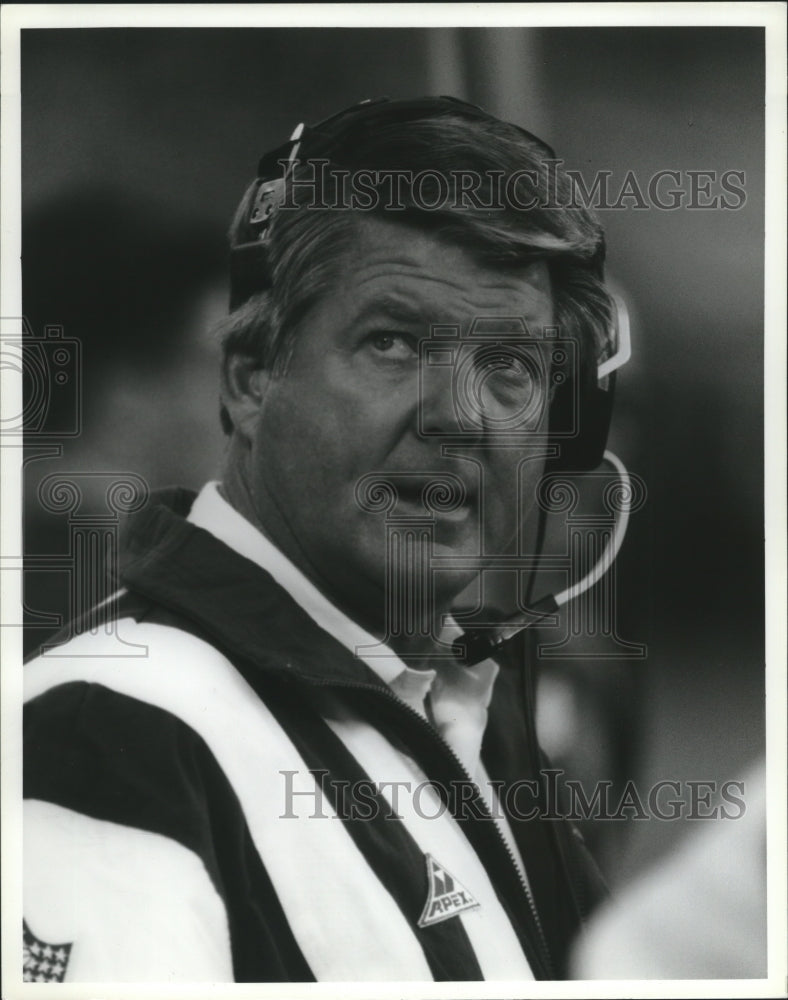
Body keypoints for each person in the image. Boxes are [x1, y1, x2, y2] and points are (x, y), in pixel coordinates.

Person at [23, 96, 620, 983]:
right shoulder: (107, 730)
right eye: (392, 342)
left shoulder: (466, 715)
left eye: (510, 366)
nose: (461, 417)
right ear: (252, 376)